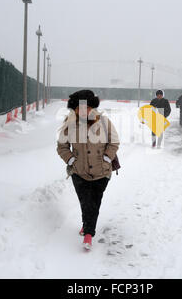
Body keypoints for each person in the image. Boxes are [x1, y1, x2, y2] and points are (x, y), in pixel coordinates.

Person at [57, 90, 120, 250]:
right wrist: (71, 160)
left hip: (102, 172)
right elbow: (62, 146)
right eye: (80, 108)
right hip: (79, 172)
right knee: (85, 202)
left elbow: (114, 142)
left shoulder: (104, 122)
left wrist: (106, 158)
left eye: (87, 107)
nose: (84, 111)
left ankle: (88, 235)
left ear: (92, 108)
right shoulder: (69, 124)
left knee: (94, 202)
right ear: (75, 109)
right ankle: (87, 226)